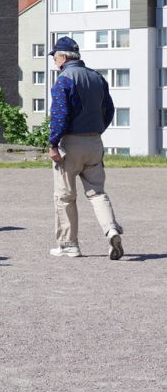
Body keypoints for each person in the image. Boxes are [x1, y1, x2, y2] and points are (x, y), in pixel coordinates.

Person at [49, 36, 124, 260]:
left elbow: (59, 116)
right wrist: (98, 131)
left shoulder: (64, 79)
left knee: (65, 196)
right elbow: (109, 109)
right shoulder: (97, 77)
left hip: (70, 144)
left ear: (63, 57)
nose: (54, 60)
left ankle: (69, 244)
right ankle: (111, 230)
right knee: (97, 192)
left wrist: (53, 143)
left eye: (54, 56)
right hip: (94, 142)